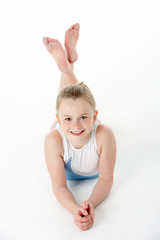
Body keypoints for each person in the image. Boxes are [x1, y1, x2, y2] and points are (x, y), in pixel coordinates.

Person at [43, 23, 116, 231]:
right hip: (60, 132)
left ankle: (66, 68)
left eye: (84, 117)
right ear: (58, 119)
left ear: (95, 116)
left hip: (93, 130)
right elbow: (58, 186)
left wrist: (91, 203)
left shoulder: (104, 134)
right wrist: (75, 209)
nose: (75, 125)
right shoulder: (53, 138)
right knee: (69, 102)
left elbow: (106, 179)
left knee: (73, 102)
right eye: (66, 119)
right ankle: (67, 68)